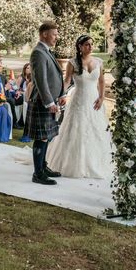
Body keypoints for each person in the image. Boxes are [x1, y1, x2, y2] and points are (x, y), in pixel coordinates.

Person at [46, 35, 112, 179]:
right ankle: (73, 163)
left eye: (91, 44)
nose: (90, 47)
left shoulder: (99, 62)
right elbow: (67, 80)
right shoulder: (73, 62)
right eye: (87, 44)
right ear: (80, 47)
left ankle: (96, 162)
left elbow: (101, 81)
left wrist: (101, 97)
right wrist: (61, 94)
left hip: (94, 100)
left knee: (96, 130)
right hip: (79, 100)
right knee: (77, 129)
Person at [26, 21, 66, 185]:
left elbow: (53, 77)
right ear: (44, 34)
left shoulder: (46, 51)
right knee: (41, 138)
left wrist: (61, 94)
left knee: (47, 137)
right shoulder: (38, 53)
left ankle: (43, 166)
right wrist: (49, 103)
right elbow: (41, 81)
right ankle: (38, 174)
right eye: (54, 34)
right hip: (42, 102)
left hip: (50, 100)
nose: (57, 37)